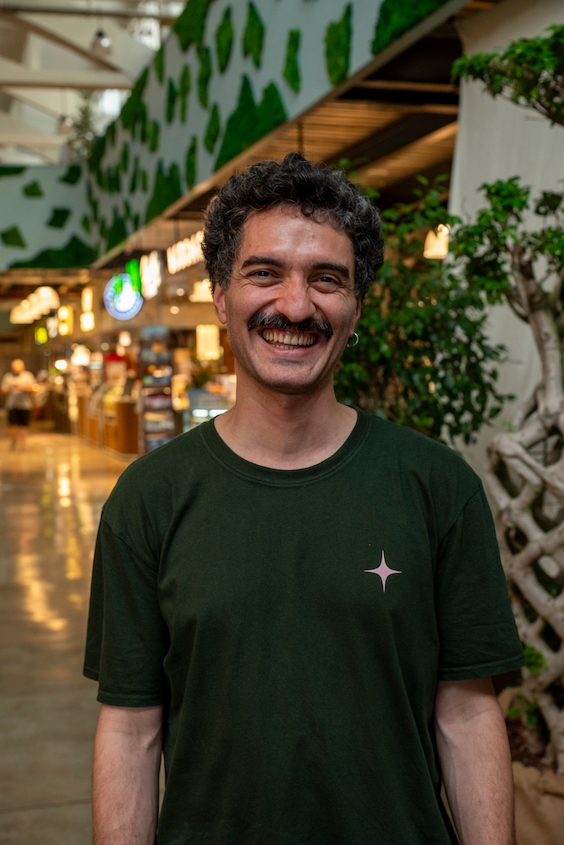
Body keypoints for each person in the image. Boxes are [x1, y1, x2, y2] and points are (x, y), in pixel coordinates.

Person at [84, 154, 524, 845]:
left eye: (326, 279)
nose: (295, 306)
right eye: (265, 273)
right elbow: (131, 728)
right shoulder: (148, 498)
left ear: (356, 305)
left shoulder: (438, 486)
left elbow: (467, 715)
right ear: (221, 296)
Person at [1, 358, 36, 450]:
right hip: (12, 405)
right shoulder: (8, 377)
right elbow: (3, 390)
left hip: (25, 405)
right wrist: (10, 388)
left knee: (24, 425)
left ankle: (23, 442)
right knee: (12, 424)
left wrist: (22, 387)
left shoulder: (28, 376)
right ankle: (13, 440)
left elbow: (34, 388)